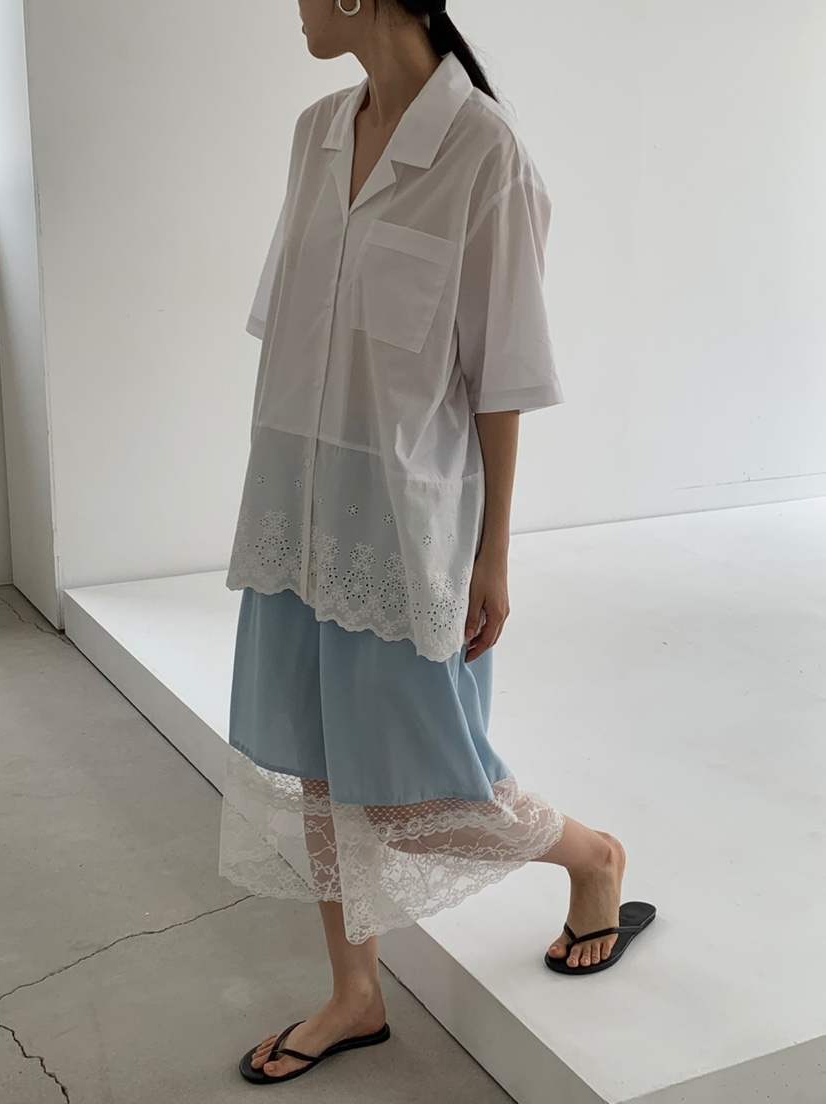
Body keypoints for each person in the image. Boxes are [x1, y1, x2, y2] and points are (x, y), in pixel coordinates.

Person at [219, 0, 656, 1086]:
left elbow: (504, 376)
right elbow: (291, 331)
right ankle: (356, 994)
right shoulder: (318, 132)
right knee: (320, 769)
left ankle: (594, 857)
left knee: (424, 794)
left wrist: (492, 552)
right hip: (297, 508)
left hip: (406, 525)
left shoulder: (484, 152)